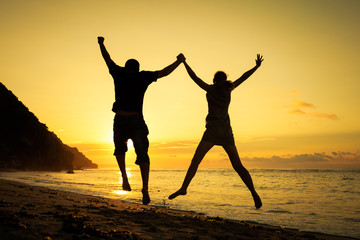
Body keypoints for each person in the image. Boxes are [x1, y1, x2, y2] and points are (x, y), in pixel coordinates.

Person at [169, 54, 264, 209]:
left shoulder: (211, 89)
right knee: (238, 166)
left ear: (214, 80)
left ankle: (184, 188)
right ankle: (253, 192)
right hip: (224, 131)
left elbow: (195, 77)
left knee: (196, 161)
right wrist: (256, 67)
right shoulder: (228, 89)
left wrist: (184, 62)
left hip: (213, 131)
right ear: (224, 80)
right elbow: (243, 77)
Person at [98, 36, 185, 205]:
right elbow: (164, 72)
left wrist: (101, 44)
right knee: (143, 155)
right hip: (136, 121)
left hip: (120, 119)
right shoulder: (142, 77)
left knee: (119, 150)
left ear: (125, 67)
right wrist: (179, 62)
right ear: (138, 69)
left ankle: (124, 178)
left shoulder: (119, 73)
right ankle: (145, 188)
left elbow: (107, 58)